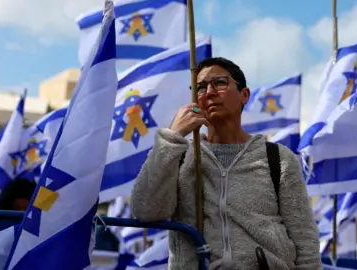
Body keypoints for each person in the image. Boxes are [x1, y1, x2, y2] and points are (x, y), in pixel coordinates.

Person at [130, 57, 322, 269]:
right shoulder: (180, 157)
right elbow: (146, 211)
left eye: (219, 83)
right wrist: (171, 137)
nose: (209, 92)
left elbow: (305, 242)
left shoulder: (278, 158)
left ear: (244, 95)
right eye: (200, 88)